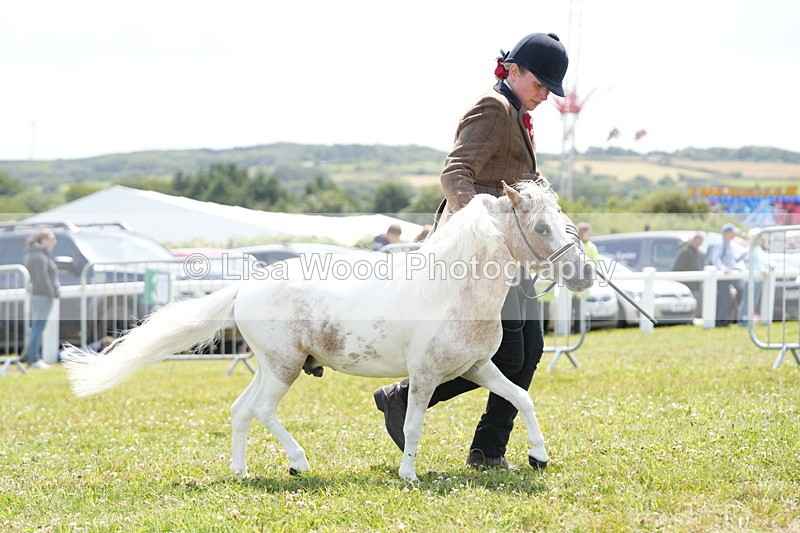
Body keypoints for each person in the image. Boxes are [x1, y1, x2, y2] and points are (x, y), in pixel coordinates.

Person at [373, 32, 581, 469]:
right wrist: (482, 229)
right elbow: (456, 174)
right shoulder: (493, 108)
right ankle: (407, 398)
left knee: (530, 351)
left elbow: (523, 183)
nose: (545, 95)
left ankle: (487, 448)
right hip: (481, 254)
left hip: (511, 253)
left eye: (550, 88)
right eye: (540, 84)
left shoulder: (518, 114)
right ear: (513, 71)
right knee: (509, 354)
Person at [24, 229, 60, 369]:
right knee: (38, 328)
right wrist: (51, 293)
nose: (54, 242)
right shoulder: (40, 255)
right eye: (52, 239)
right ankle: (34, 358)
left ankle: (33, 357)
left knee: (36, 327)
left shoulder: (34, 253)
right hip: (42, 296)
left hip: (37, 295)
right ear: (44, 240)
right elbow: (42, 277)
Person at [707, 223, 740, 326]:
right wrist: (722, 268)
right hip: (722, 277)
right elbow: (715, 258)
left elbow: (730, 260)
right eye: (732, 232)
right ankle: (720, 321)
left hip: (728, 276)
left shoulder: (728, 244)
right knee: (725, 299)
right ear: (727, 233)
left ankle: (723, 320)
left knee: (727, 299)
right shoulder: (720, 243)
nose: (734, 235)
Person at [737, 231, 770, 325]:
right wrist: (761, 270)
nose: (762, 239)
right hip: (750, 280)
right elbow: (750, 263)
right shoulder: (749, 249)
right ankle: (743, 321)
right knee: (747, 301)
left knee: (753, 301)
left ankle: (748, 320)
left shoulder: (758, 249)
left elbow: (762, 261)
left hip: (758, 280)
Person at [672, 233, 704, 316]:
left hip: (693, 282)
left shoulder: (695, 251)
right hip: (686, 282)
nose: (702, 243)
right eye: (701, 240)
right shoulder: (686, 251)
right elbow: (677, 267)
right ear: (696, 240)